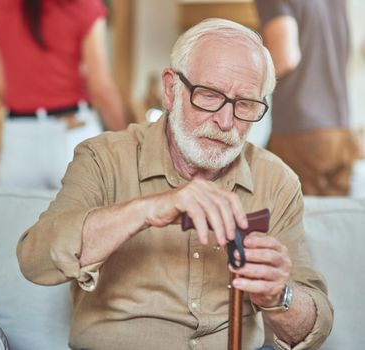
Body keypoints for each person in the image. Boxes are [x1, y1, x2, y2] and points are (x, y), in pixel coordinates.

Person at [17, 19, 333, 350]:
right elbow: (36, 261)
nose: (225, 122)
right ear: (171, 90)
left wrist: (279, 295)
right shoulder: (104, 158)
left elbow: (312, 329)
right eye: (209, 96)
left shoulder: (277, 181)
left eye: (245, 104)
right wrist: (150, 208)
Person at [0, 0, 128, 190]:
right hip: (72, 135)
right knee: (87, 217)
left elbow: (0, 87)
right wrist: (127, 144)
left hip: (18, 138)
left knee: (16, 217)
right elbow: (101, 90)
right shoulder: (84, 5)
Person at [255, 0, 360, 196]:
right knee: (333, 219)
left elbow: (285, 57)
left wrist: (244, 84)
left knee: (295, 219)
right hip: (340, 130)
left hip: (299, 132)